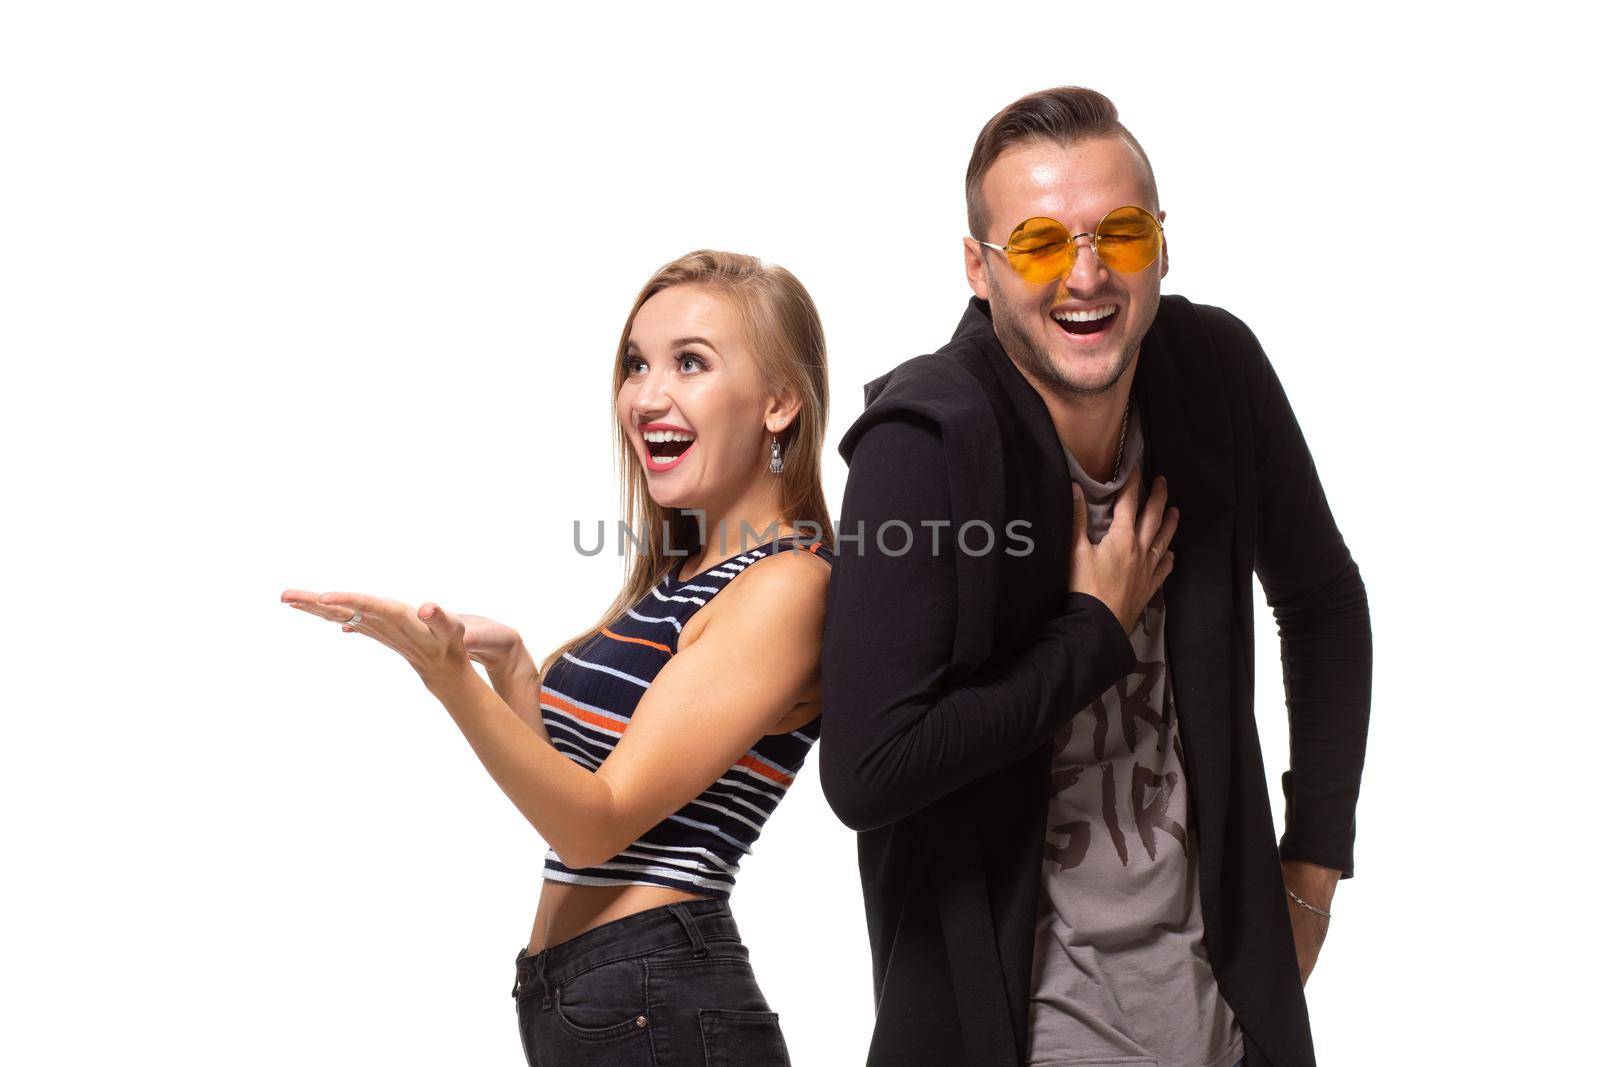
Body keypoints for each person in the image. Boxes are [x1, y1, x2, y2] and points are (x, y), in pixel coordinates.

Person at [818, 87, 1372, 1067]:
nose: (1084, 274)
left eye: (1118, 232)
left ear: (1160, 245)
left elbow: (1323, 601)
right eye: (1036, 243)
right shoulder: (923, 444)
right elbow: (868, 767)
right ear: (978, 270)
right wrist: (1089, 632)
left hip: (1223, 1013)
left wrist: (1311, 868)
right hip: (1024, 1022)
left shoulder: (1214, 373)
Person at [282, 249, 834, 1066]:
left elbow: (593, 825)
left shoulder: (784, 584)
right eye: (636, 364)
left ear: (781, 401)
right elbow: (572, 798)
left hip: (660, 1002)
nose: (647, 396)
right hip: (594, 998)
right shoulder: (687, 576)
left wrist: (448, 684)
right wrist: (511, 674)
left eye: (691, 362)